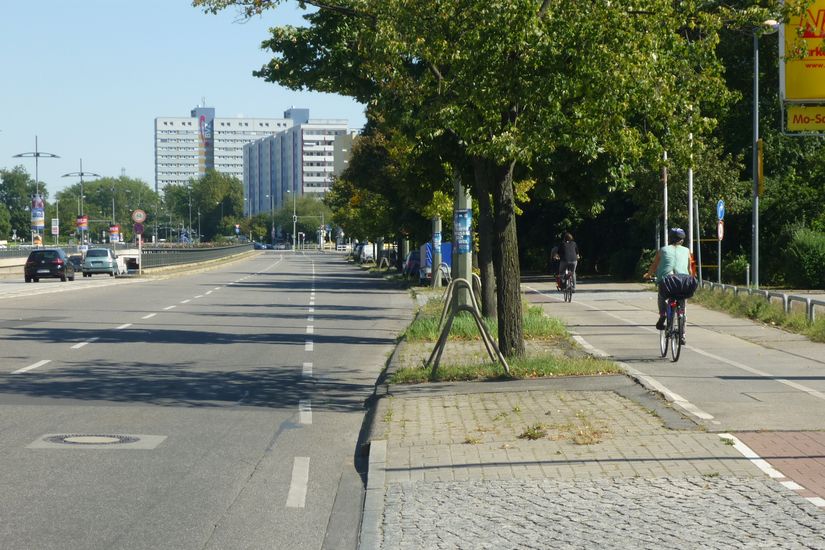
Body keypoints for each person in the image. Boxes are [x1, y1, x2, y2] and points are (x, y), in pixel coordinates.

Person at [644, 227, 696, 342]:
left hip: (667, 282)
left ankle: (663, 315)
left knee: (661, 296)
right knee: (682, 305)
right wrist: (691, 277)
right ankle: (682, 334)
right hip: (683, 282)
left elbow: (654, 266)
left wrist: (648, 275)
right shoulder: (687, 251)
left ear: (669, 239)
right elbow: (690, 269)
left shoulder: (662, 250)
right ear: (682, 240)